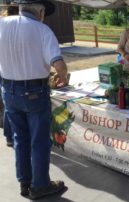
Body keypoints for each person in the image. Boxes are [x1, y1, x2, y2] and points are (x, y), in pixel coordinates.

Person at [0, 0, 68, 199]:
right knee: (39, 141)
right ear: (40, 10)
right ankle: (40, 186)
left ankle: (25, 182)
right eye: (44, 12)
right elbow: (59, 65)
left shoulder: (2, 24)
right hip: (34, 91)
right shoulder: (42, 30)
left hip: (8, 90)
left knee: (20, 139)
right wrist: (62, 74)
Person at [0, 3, 19, 147]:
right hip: (8, 72)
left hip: (5, 70)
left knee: (9, 105)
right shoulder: (15, 27)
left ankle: (10, 136)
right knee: (10, 105)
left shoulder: (3, 26)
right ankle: (10, 136)